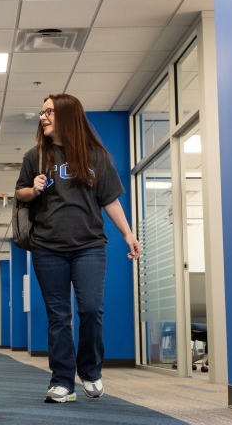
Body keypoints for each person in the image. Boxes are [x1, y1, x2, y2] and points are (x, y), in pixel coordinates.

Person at [15, 94, 140, 403]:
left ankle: (91, 370)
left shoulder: (95, 156)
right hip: (47, 247)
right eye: (42, 112)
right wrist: (35, 189)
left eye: (49, 112)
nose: (42, 117)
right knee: (58, 316)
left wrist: (128, 234)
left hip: (89, 246)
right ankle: (61, 381)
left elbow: (109, 199)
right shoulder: (35, 156)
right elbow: (20, 192)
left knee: (91, 309)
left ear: (68, 116)